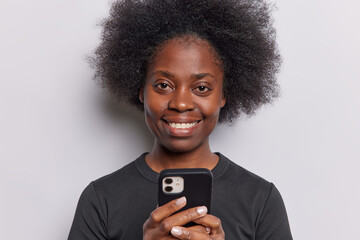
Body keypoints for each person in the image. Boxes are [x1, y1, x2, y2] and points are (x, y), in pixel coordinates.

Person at [68, 0, 292, 239]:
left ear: (224, 95)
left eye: (202, 87)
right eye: (163, 85)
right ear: (141, 90)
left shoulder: (260, 200)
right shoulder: (101, 200)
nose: (181, 103)